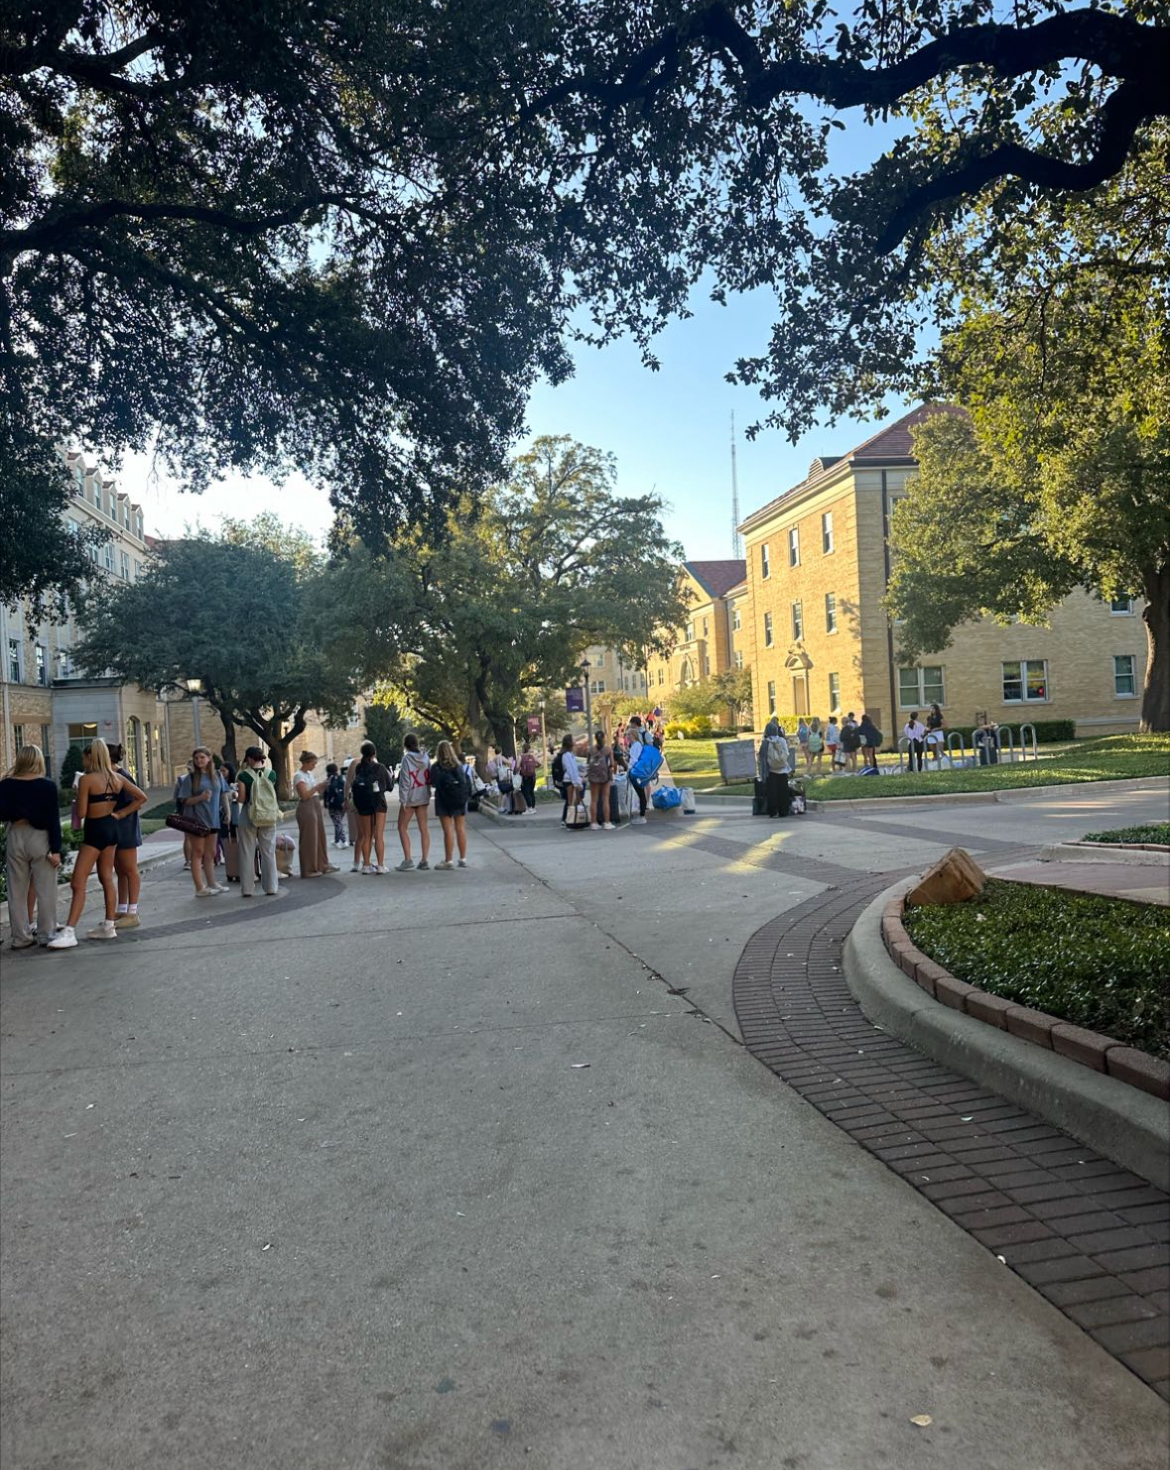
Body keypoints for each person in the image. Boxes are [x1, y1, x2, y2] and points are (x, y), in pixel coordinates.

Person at [48, 738, 146, 948]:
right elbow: (141, 797)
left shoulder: (87, 780)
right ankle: (109, 925)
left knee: (78, 882)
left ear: (92, 757)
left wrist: (78, 795)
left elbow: (82, 813)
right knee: (106, 877)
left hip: (95, 831)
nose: (83, 760)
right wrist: (120, 813)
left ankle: (69, 930)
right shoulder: (117, 778)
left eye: (85, 756)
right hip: (112, 829)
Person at [1, 744, 62, 948]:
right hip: (40, 837)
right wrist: (56, 850)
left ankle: (21, 937)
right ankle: (46, 934)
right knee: (46, 889)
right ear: (38, 760)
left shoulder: (6, 785)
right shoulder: (47, 786)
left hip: (15, 834)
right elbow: (54, 820)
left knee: (16, 890)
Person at [175, 746, 225, 896]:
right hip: (196, 819)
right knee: (198, 852)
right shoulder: (190, 778)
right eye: (197, 758)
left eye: (202, 757)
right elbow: (184, 800)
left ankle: (212, 882)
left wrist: (227, 812)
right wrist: (200, 798)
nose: (199, 761)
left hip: (213, 819)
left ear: (209, 758)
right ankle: (199, 887)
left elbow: (223, 794)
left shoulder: (217, 776)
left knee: (211, 852)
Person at [236, 747, 282, 897]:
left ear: (249, 758)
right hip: (268, 816)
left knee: (247, 852)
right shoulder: (271, 774)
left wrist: (234, 796)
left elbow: (242, 798)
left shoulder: (243, 775)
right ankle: (271, 887)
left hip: (249, 815)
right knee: (268, 852)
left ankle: (247, 889)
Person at [105, 743, 143, 928]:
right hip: (115, 828)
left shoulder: (122, 776)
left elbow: (139, 800)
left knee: (130, 869)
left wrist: (121, 814)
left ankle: (133, 911)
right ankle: (122, 907)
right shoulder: (108, 776)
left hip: (126, 827)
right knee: (120, 870)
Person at [350, 740, 393, 873]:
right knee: (378, 835)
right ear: (374, 753)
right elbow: (390, 786)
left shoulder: (359, 768)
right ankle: (380, 865)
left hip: (363, 804)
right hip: (379, 804)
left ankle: (366, 866)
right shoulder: (380, 767)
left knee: (367, 836)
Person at [293, 751, 337, 879]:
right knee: (309, 839)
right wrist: (318, 787)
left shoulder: (309, 774)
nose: (314, 766)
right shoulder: (298, 776)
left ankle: (321, 864)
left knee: (319, 837)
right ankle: (308, 869)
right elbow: (304, 795)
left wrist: (322, 787)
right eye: (313, 763)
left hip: (315, 804)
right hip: (307, 807)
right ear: (306, 762)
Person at [432, 740, 471, 869]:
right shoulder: (458, 766)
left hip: (443, 801)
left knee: (448, 830)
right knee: (460, 828)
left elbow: (433, 782)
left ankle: (448, 860)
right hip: (459, 800)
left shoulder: (436, 767)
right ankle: (463, 858)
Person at [396, 732, 432, 870]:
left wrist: (403, 800)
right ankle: (424, 860)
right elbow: (429, 776)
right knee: (424, 829)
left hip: (410, 799)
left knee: (402, 827)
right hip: (423, 797)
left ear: (405, 745)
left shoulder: (406, 759)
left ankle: (408, 859)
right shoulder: (426, 757)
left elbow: (405, 780)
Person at [758, 720, 792, 817]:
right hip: (783, 769)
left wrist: (762, 773)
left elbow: (762, 758)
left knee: (772, 792)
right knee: (783, 791)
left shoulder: (765, 743)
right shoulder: (782, 740)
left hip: (771, 771)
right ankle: (783, 811)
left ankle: (773, 812)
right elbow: (786, 753)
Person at [586, 730, 614, 830]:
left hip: (593, 777)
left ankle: (593, 823)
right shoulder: (608, 750)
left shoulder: (590, 750)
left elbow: (588, 763)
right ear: (604, 738)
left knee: (594, 800)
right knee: (605, 799)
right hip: (605, 776)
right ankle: (607, 822)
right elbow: (612, 764)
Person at [625, 716, 649, 825]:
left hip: (636, 772)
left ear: (633, 735)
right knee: (639, 793)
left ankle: (642, 815)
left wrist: (629, 769)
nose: (627, 736)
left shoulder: (637, 745)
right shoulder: (634, 745)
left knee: (640, 794)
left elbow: (635, 760)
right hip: (634, 772)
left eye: (629, 734)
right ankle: (640, 814)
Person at [558, 733, 583, 825]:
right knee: (570, 802)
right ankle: (567, 820)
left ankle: (569, 819)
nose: (575, 741)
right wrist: (576, 783)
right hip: (569, 780)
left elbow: (574, 768)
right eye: (573, 740)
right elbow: (571, 770)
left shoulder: (570, 754)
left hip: (571, 780)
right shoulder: (567, 755)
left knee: (571, 801)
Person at [324, 761, 349, 847]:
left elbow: (326, 793)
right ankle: (336, 839)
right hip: (342, 802)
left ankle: (343, 840)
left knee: (337, 822)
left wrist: (326, 803)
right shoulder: (341, 778)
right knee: (338, 821)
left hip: (333, 804)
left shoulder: (329, 780)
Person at [518, 743, 538, 812]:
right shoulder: (532, 756)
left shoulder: (521, 757)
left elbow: (517, 766)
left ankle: (529, 808)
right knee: (531, 791)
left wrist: (517, 771)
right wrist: (534, 767)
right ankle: (533, 807)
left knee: (526, 792)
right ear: (529, 749)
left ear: (523, 749)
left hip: (525, 777)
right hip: (532, 776)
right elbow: (539, 763)